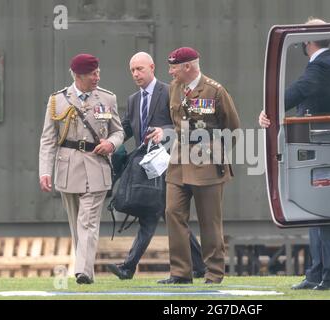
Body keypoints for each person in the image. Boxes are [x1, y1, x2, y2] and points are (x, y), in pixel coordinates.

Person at [259, 18, 330, 290]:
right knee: (315, 212)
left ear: (308, 41)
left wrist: (269, 107)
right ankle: (317, 273)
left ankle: (327, 276)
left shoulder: (320, 66)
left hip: (319, 146)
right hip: (318, 145)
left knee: (324, 212)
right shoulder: (325, 65)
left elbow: (296, 92)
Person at [106, 52, 206, 280]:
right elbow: (125, 130)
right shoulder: (133, 100)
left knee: (158, 215)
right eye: (132, 70)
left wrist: (166, 132)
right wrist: (110, 141)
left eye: (140, 69)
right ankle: (199, 266)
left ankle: (128, 268)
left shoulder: (170, 91)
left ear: (152, 67)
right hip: (146, 169)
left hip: (170, 164)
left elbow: (187, 123)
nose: (135, 74)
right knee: (158, 215)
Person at [39, 53, 125, 284]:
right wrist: (45, 171)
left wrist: (111, 144)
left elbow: (118, 131)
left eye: (98, 72)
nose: (97, 77)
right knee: (77, 223)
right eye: (92, 74)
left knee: (87, 221)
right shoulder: (58, 101)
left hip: (97, 166)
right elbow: (48, 139)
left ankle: (82, 272)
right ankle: (87, 271)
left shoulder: (108, 98)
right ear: (78, 76)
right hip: (68, 167)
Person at [158, 47, 240, 284]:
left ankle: (214, 273)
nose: (170, 71)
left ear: (188, 67)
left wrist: (217, 152)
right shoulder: (174, 88)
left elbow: (232, 127)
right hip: (178, 162)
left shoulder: (215, 90)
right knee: (172, 213)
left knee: (209, 220)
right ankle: (181, 272)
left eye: (174, 67)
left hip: (206, 164)